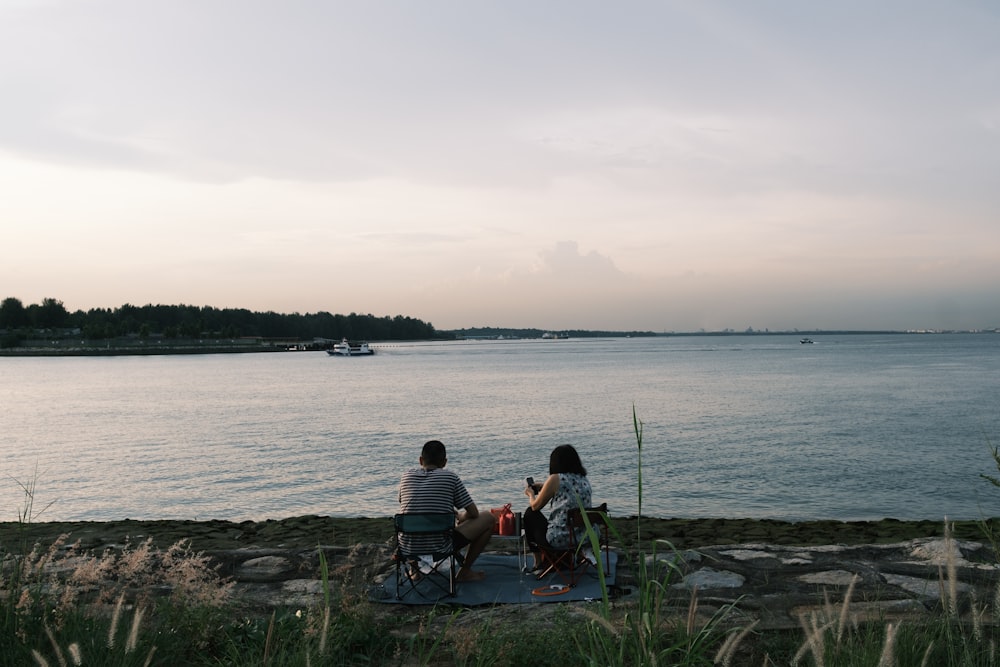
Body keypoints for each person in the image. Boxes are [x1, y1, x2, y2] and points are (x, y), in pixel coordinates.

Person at [398, 439, 496, 582]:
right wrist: (462, 516)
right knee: (488, 518)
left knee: (412, 518)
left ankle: (414, 571)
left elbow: (405, 505)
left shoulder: (406, 476)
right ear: (444, 462)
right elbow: (474, 513)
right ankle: (465, 572)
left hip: (408, 547)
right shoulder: (450, 477)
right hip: (441, 546)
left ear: (420, 460)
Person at [522, 444, 592, 571]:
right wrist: (545, 487)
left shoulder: (555, 478)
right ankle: (572, 557)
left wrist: (530, 494)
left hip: (561, 539)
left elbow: (535, 506)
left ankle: (538, 562)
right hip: (585, 537)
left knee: (530, 514)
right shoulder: (583, 479)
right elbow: (568, 490)